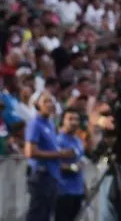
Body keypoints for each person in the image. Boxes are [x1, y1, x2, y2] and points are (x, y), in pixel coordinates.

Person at [24, 91, 74, 221]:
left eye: (52, 101)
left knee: (47, 214)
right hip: (41, 175)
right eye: (46, 101)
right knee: (37, 214)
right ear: (36, 104)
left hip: (52, 175)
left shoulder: (50, 124)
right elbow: (30, 152)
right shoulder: (35, 124)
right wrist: (60, 154)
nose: (50, 104)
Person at [55, 109, 86, 221]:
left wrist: (84, 187)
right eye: (70, 119)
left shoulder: (78, 141)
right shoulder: (58, 141)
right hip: (63, 191)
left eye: (76, 119)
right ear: (63, 121)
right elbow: (54, 165)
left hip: (78, 191)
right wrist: (72, 167)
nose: (74, 122)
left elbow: (80, 164)